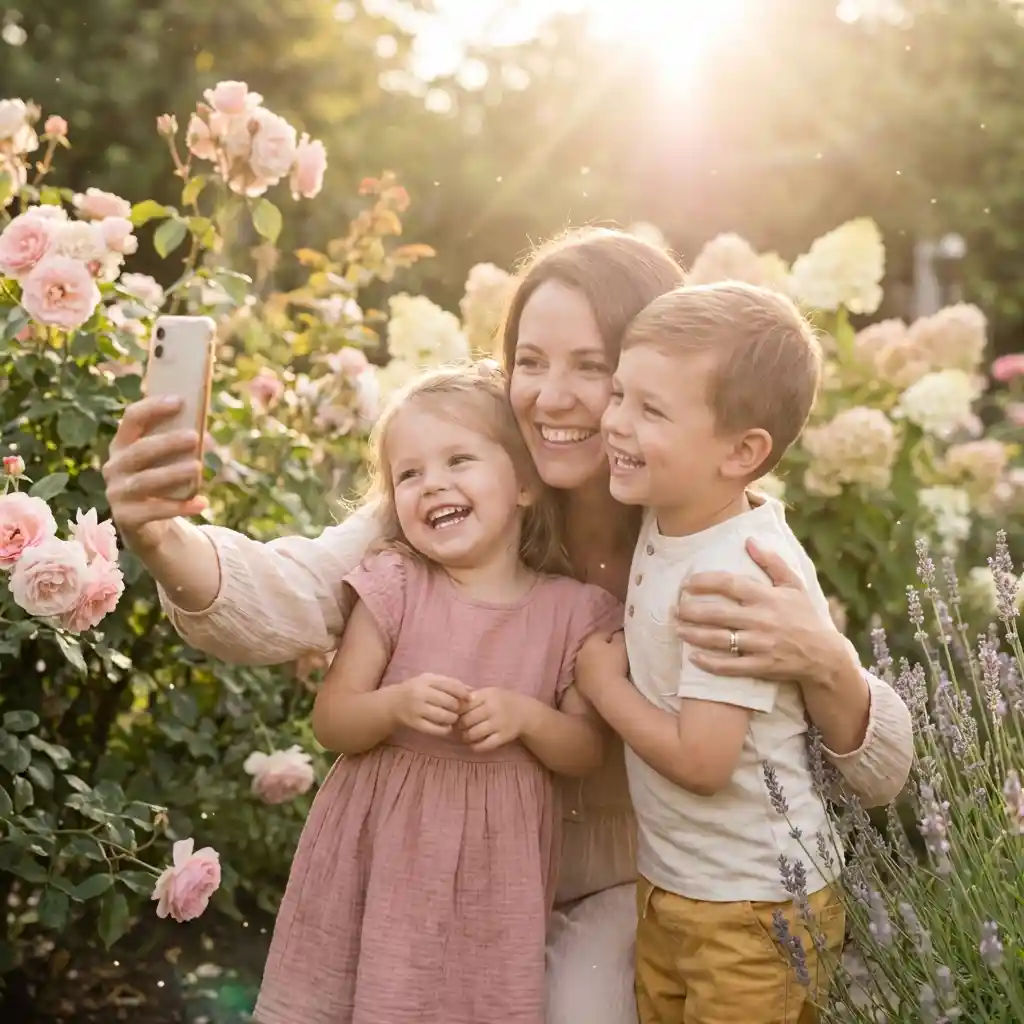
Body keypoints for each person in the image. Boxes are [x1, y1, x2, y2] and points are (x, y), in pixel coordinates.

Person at [102, 227, 915, 1024]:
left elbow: (880, 775)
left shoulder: (707, 539)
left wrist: (828, 661)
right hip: (455, 873)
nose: (550, 397)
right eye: (529, 361)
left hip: (643, 889)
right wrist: (161, 538)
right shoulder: (474, 480)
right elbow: (298, 594)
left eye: (592, 368)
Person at [253, 365, 621, 1024]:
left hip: (492, 876)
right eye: (409, 474)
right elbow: (332, 721)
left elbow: (586, 750)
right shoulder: (397, 584)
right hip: (380, 856)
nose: (433, 485)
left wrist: (527, 717)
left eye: (459, 460)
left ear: (527, 483)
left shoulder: (571, 612)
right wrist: (392, 705)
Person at [578, 282, 846, 1024]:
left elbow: (703, 761)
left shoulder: (731, 578)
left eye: (651, 410)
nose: (616, 423)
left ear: (742, 453)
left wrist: (603, 687)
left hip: (754, 906)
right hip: (679, 882)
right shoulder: (676, 514)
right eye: (621, 393)